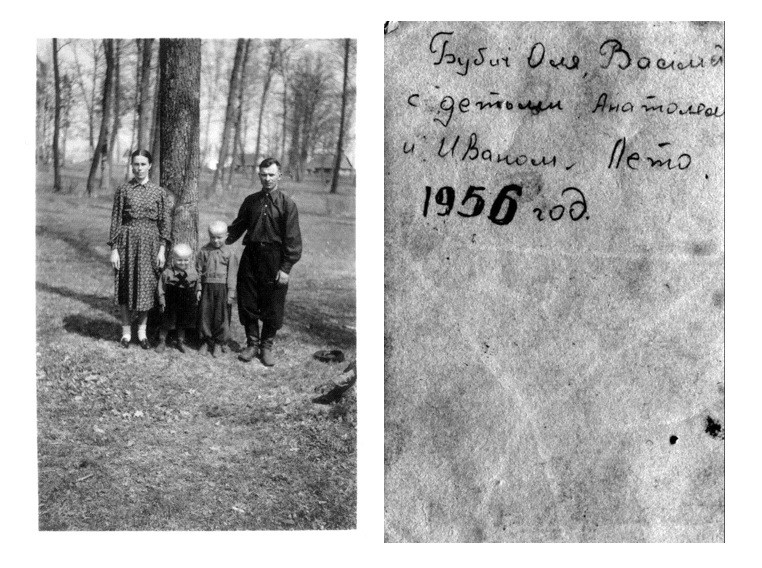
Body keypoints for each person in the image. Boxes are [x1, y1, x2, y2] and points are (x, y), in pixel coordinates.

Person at [226, 158, 302, 366]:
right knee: (248, 300)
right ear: (259, 175)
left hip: (275, 259)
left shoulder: (287, 204)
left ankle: (266, 346)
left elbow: (293, 240)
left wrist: (285, 268)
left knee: (273, 304)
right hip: (251, 256)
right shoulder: (251, 201)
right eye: (263, 174)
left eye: (271, 174)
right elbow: (237, 226)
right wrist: (220, 239)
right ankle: (252, 344)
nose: (267, 179)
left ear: (279, 175)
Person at [109, 149, 171, 349]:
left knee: (146, 287)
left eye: (143, 164)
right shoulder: (123, 190)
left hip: (150, 245)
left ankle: (142, 333)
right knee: (125, 286)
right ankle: (126, 333)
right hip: (126, 243)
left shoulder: (159, 192)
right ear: (131, 166)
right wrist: (114, 249)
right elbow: (116, 220)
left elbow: (164, 223)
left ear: (150, 165)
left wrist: (162, 249)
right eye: (136, 164)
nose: (139, 168)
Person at [196, 221, 238, 357]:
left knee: (221, 317)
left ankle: (219, 343)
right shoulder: (204, 251)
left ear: (226, 236)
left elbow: (232, 274)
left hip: (222, 289)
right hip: (207, 287)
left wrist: (231, 292)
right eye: (212, 237)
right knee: (205, 314)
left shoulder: (229, 253)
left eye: (219, 237)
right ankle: (206, 341)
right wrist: (198, 287)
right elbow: (198, 270)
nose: (216, 240)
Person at [155, 244, 198, 353]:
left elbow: (197, 284)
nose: (183, 263)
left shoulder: (193, 273)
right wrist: (162, 300)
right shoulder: (167, 273)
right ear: (173, 259)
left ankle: (180, 341)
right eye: (179, 260)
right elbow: (161, 288)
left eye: (186, 260)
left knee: (182, 322)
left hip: (185, 302)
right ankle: (162, 341)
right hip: (170, 301)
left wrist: (198, 292)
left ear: (190, 259)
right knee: (166, 321)